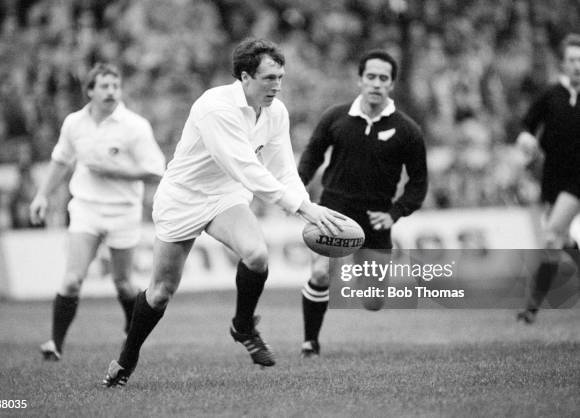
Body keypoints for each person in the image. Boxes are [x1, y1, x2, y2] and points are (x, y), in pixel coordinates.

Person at [102, 38, 345, 387]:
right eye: (268, 78)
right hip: (182, 199)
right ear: (244, 77)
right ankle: (127, 359)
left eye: (280, 77)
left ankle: (243, 326)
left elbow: (282, 168)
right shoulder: (215, 107)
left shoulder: (276, 112)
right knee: (160, 291)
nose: (276, 86)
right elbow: (246, 168)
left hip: (225, 195)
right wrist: (301, 207)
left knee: (257, 255)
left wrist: (306, 203)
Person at [29, 63, 166, 360]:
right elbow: (61, 161)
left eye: (115, 86)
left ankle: (133, 335)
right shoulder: (74, 123)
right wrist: (42, 195)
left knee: (123, 283)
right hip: (86, 209)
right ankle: (55, 343)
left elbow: (157, 171)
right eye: (104, 86)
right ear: (89, 91)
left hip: (123, 212)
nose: (111, 92)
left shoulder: (135, 125)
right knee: (72, 279)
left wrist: (116, 171)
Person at [297, 49, 428, 357]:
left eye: (384, 78)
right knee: (319, 274)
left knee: (372, 301)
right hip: (333, 211)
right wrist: (296, 191)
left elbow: (418, 184)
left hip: (374, 219)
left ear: (392, 85)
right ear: (360, 80)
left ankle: (378, 265)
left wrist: (394, 213)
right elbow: (312, 156)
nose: (376, 84)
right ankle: (309, 343)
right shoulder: (336, 117)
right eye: (371, 77)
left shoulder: (408, 130)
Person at [516, 34, 580, 324]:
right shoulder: (551, 94)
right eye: (572, 60)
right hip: (553, 177)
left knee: (552, 234)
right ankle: (531, 309)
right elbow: (527, 127)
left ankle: (531, 308)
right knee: (562, 239)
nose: (577, 65)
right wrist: (527, 141)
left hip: (575, 181)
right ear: (563, 63)